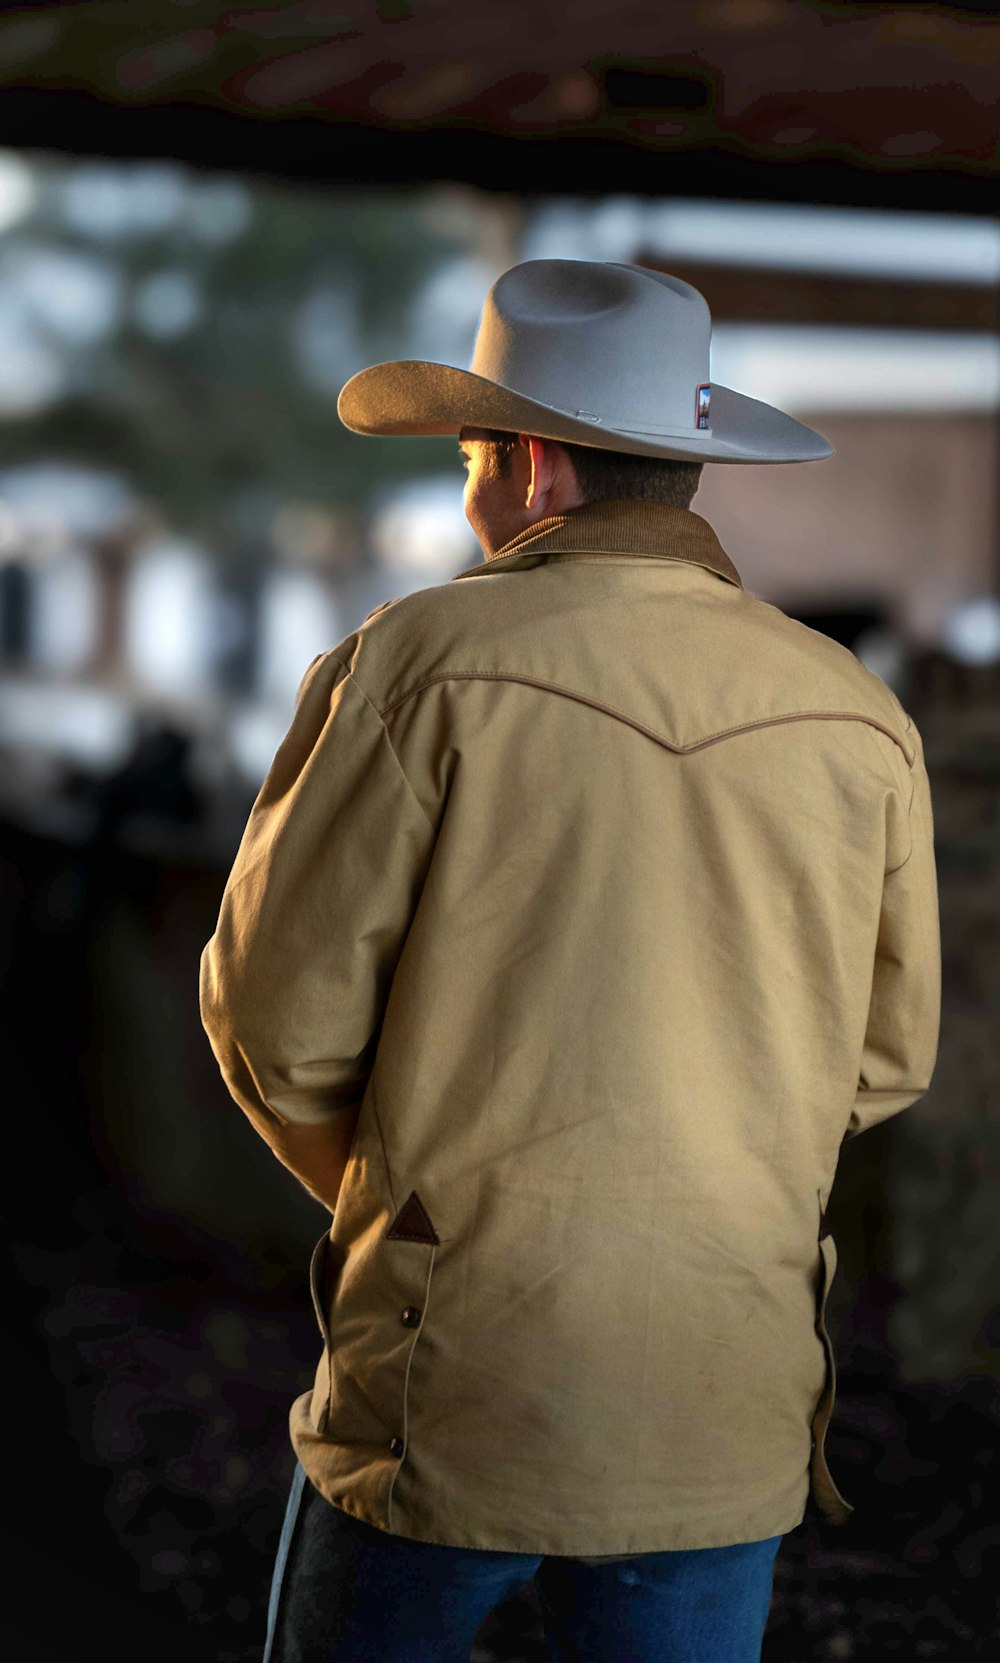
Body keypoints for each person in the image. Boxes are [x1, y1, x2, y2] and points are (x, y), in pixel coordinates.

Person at [200, 259, 941, 1662]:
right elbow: (888, 1061)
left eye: (475, 458)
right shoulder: (856, 713)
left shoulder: (414, 664)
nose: (469, 493)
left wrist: (410, 1197)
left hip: (454, 1373)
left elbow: (273, 1022)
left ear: (533, 470)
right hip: (720, 1385)